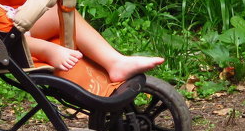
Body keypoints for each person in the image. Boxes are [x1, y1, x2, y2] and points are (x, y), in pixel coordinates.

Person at [21, 5, 163, 82]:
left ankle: (115, 62)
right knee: (6, 36)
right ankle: (46, 50)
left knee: (61, 11)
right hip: (4, 36)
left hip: (11, 19)